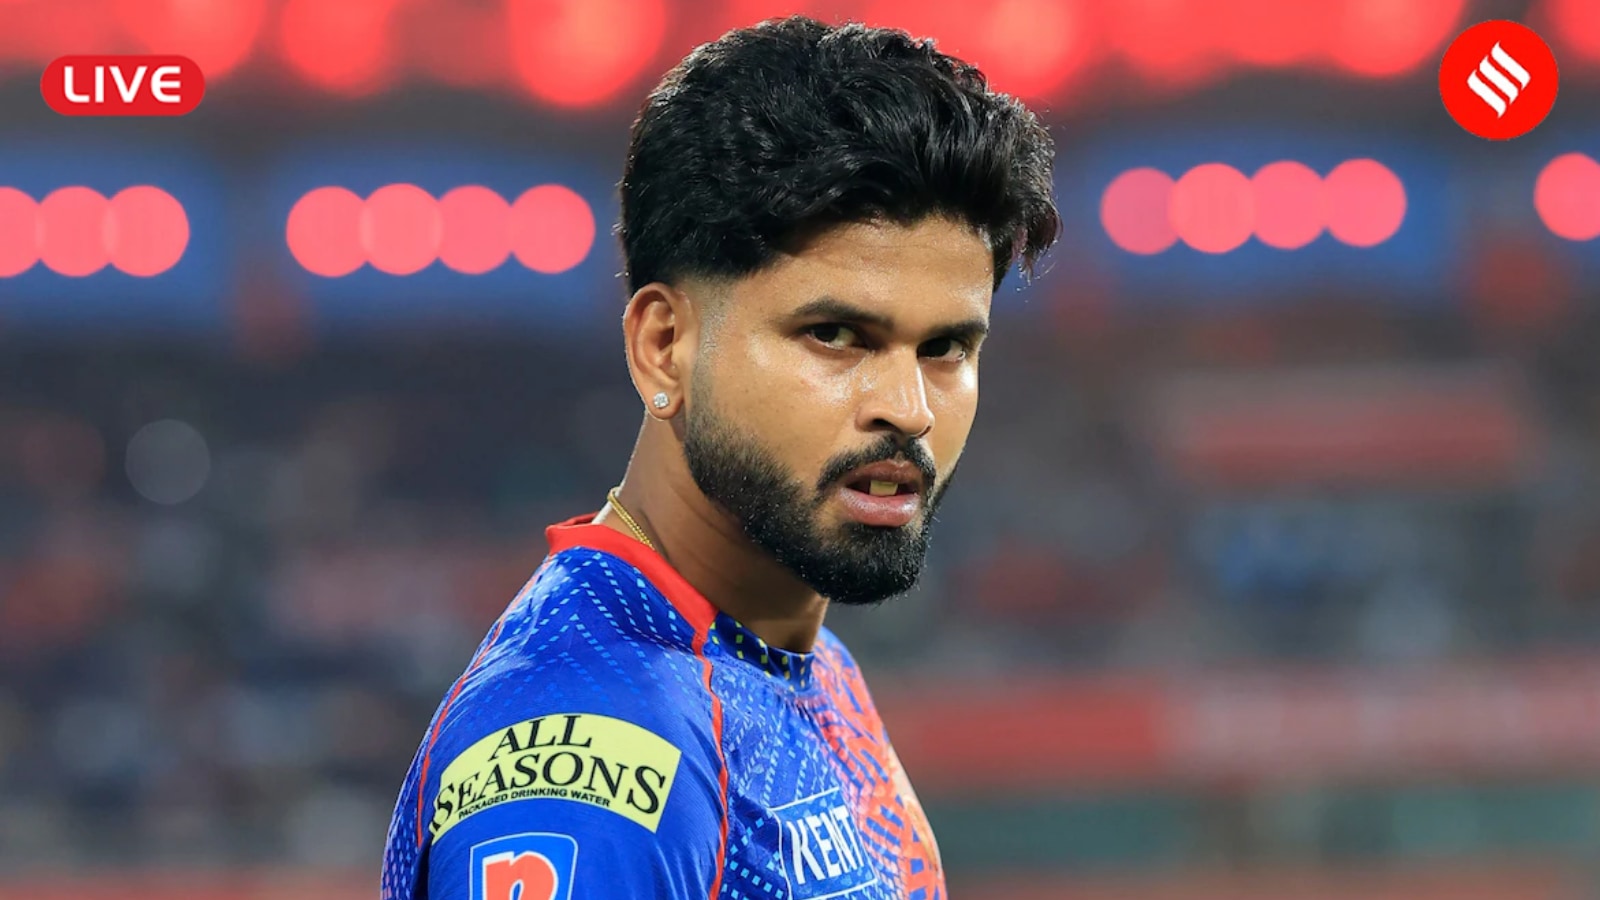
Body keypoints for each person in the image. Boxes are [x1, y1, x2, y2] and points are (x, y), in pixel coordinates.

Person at [381, 15, 1058, 900]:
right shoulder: (592, 745)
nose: (909, 408)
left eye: (946, 348)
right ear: (664, 347)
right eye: (835, 334)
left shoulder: (800, 658)